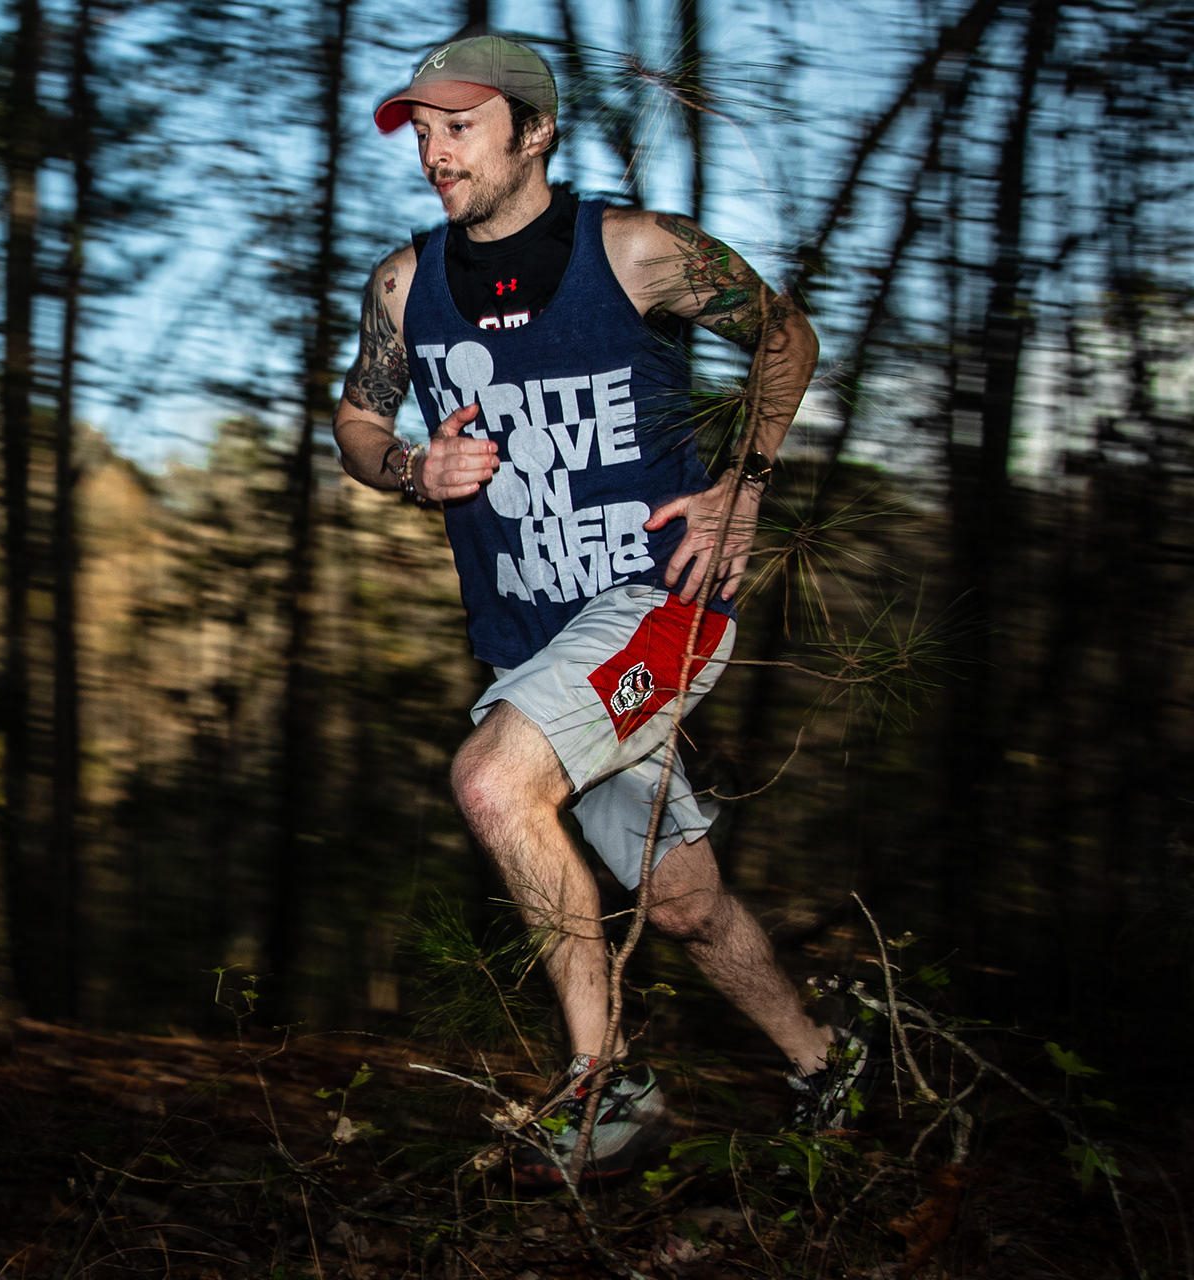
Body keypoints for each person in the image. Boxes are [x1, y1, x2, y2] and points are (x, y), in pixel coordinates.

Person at [332, 34, 877, 1183]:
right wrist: (410, 471)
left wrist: (748, 482)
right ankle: (828, 1062)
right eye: (421, 131)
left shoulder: (635, 252)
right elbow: (359, 423)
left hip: (657, 604)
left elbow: (788, 337)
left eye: (460, 126)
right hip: (530, 643)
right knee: (681, 901)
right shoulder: (403, 284)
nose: (434, 152)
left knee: (492, 780)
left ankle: (605, 1088)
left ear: (535, 131)